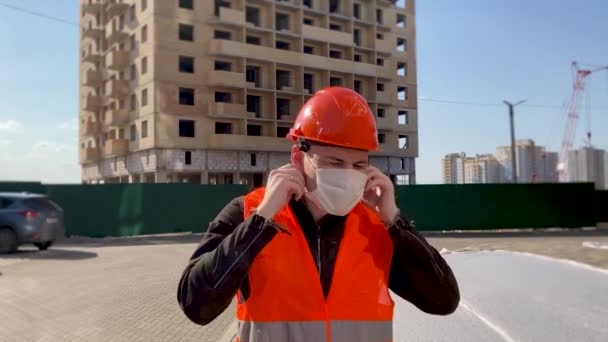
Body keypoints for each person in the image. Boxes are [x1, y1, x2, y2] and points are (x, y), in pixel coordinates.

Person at [177, 86, 460, 341]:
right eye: (334, 161)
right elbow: (196, 305)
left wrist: (395, 221)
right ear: (299, 157)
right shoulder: (248, 213)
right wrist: (261, 221)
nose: (347, 174)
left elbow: (443, 300)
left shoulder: (377, 227)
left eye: (359, 165)